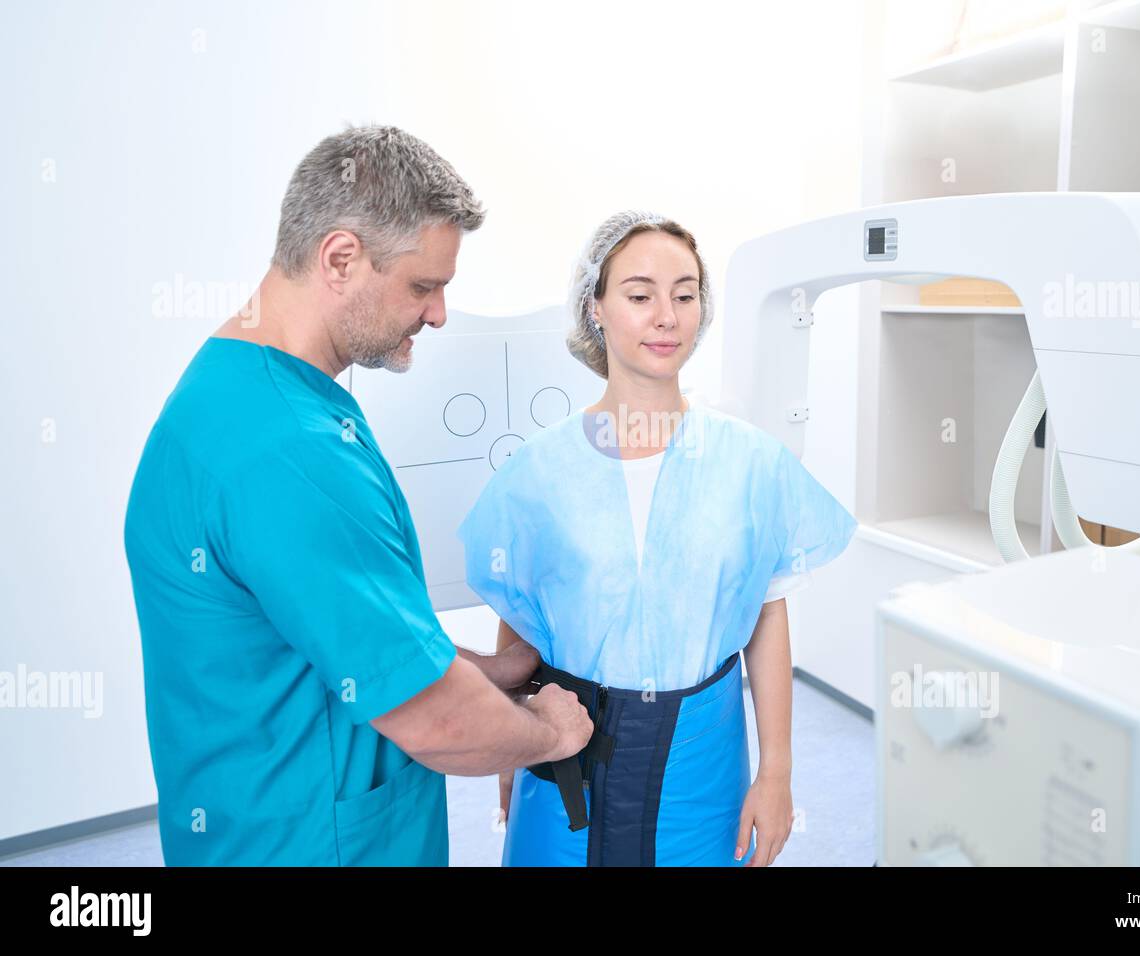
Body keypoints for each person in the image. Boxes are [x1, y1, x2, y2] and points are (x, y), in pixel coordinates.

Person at [123, 126, 591, 866]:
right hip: (315, 845)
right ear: (340, 258)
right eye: (422, 286)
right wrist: (550, 732)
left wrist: (493, 671)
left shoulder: (238, 393)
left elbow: (340, 629)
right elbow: (436, 722)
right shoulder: (289, 450)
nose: (438, 313)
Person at [457, 211, 857, 866]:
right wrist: (509, 751)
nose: (666, 316)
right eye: (640, 295)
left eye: (686, 293)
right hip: (564, 764)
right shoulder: (539, 472)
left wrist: (777, 772)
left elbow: (766, 610)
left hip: (701, 772)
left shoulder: (749, 464)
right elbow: (522, 621)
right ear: (597, 307)